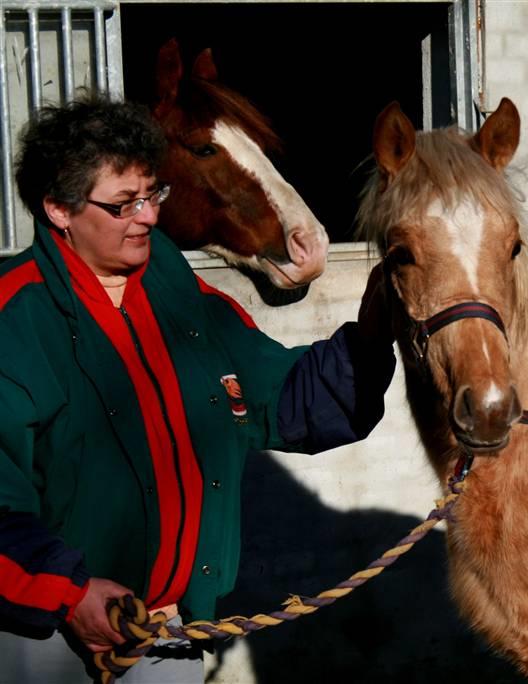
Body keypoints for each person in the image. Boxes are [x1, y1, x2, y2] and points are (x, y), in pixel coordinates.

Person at [0, 96, 394, 683]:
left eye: (152, 194)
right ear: (58, 208)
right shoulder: (14, 318)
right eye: (122, 203)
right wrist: (67, 592)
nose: (148, 217)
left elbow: (277, 396)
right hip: (44, 637)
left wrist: (368, 339)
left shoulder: (177, 291)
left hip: (167, 629)